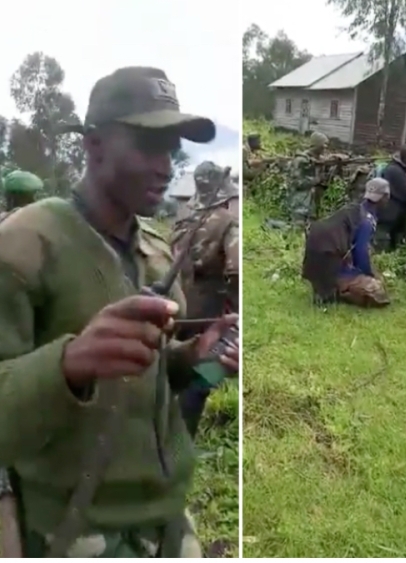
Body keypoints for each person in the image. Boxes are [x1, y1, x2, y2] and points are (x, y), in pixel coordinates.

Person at [0, 66, 239, 557]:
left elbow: (142, 380)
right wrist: (68, 365)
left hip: (168, 521)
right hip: (74, 532)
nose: (165, 167)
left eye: (171, 148)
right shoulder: (23, 246)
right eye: (148, 145)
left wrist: (189, 357)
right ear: (93, 146)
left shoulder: (154, 251)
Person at [170, 161, 240, 440]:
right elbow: (234, 270)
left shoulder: (182, 214)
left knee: (172, 366)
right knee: (201, 375)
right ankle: (180, 439)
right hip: (207, 310)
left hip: (175, 305)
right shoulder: (226, 222)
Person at [302, 178, 392, 308]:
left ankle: (326, 288)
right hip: (333, 263)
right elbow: (360, 251)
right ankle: (338, 290)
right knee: (377, 288)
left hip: (314, 263)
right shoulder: (367, 221)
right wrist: (369, 273)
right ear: (385, 196)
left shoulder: (353, 209)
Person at [287, 131, 330, 227]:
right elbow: (297, 183)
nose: (325, 147)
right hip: (300, 203)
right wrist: (317, 180)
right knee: (297, 228)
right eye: (324, 144)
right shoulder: (301, 160)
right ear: (317, 144)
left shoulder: (318, 160)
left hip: (312, 205)